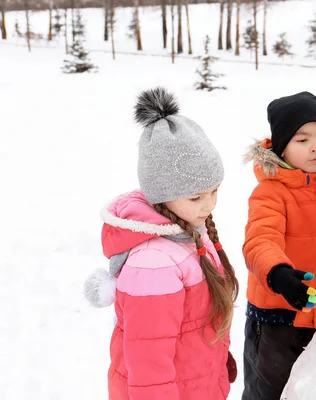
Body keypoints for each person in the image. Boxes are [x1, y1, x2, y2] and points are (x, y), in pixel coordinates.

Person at [84, 87, 238, 400]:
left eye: (214, 191)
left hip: (196, 385)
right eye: (196, 196)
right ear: (161, 195)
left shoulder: (190, 231)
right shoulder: (154, 263)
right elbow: (148, 366)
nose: (209, 205)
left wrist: (217, 361)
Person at [241, 91, 316, 400]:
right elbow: (260, 239)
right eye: (301, 140)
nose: (315, 147)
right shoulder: (270, 193)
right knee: (270, 393)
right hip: (278, 319)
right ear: (282, 146)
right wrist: (278, 273)